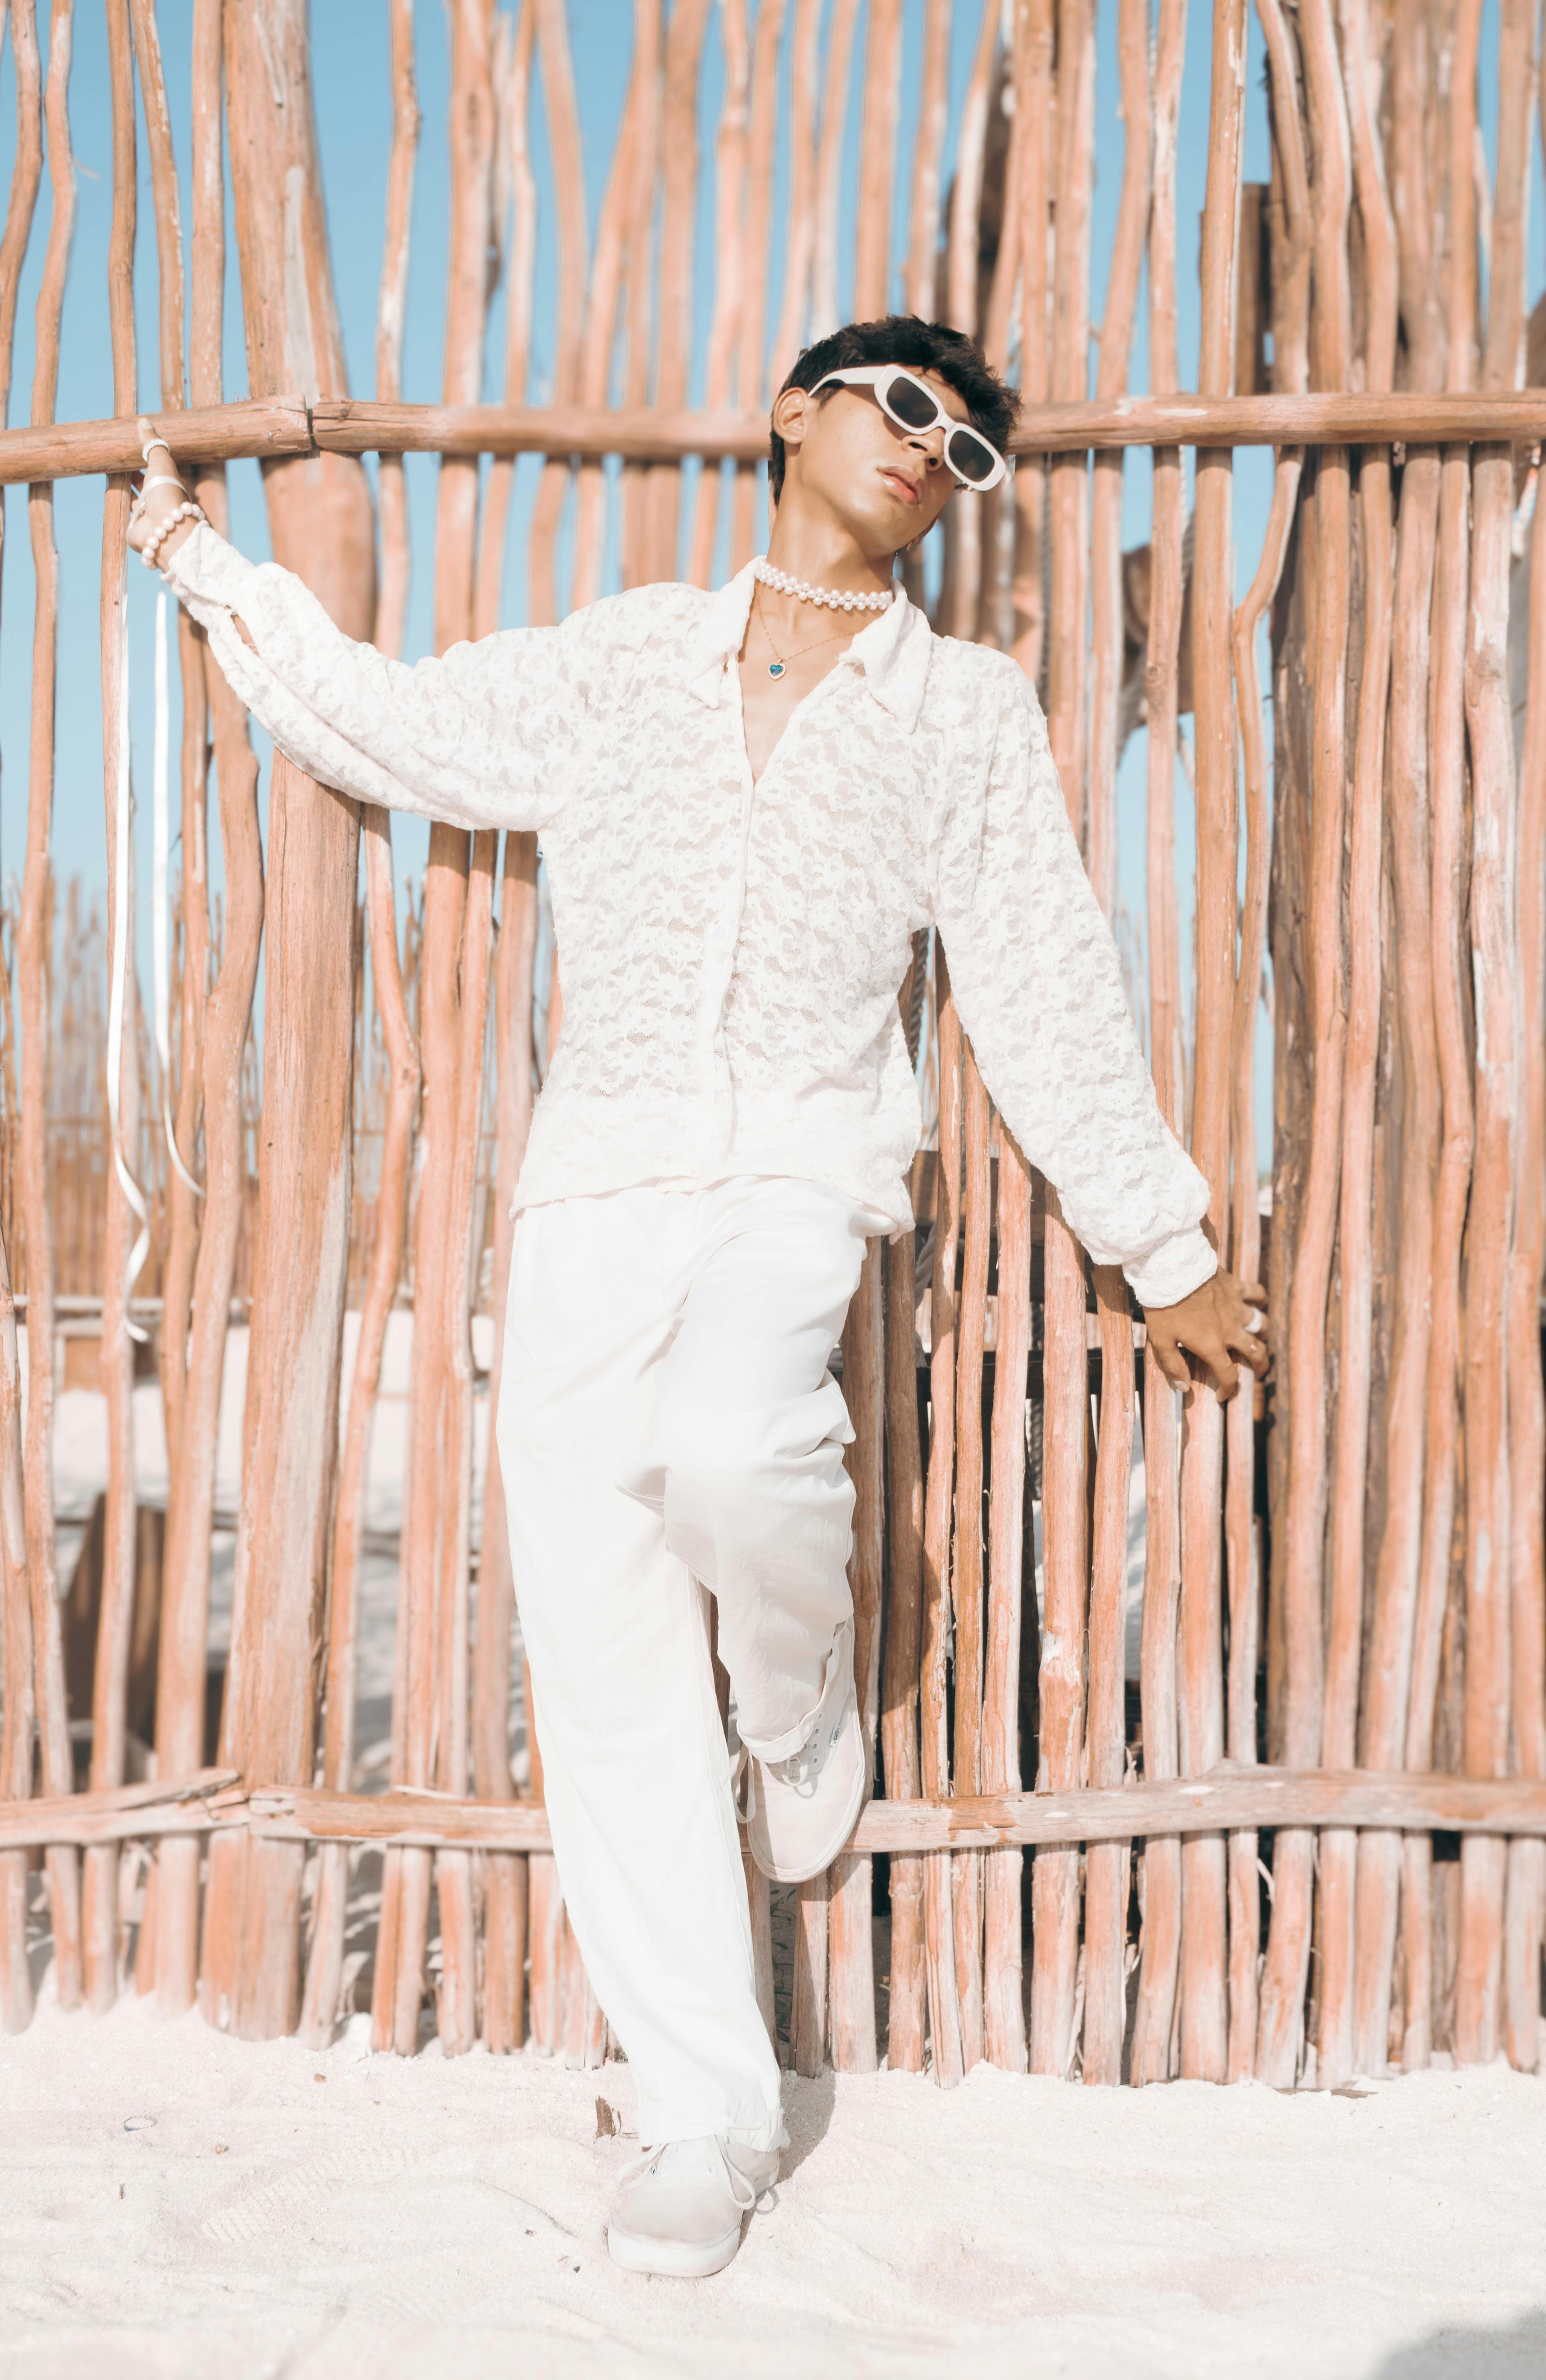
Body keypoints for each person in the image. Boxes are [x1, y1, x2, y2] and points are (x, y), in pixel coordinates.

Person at [131, 314, 1267, 2281]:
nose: (934, 449)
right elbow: (392, 724)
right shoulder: (626, 656)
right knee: (599, 1638)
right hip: (589, 1190)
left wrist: (1155, 1240)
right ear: (796, 412)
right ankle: (701, 2106)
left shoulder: (962, 708)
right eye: (905, 405)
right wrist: (200, 567)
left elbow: (1039, 973)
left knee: (738, 1447)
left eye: (969, 448)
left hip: (796, 1179)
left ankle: (801, 1702)